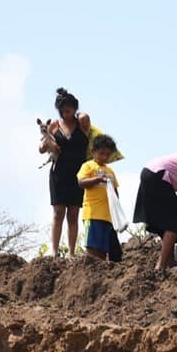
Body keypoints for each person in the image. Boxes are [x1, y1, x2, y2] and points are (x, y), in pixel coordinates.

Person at [39, 87, 89, 257]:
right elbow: (41, 148)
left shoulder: (82, 122)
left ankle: (71, 252)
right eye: (62, 107)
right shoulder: (54, 124)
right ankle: (54, 251)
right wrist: (46, 142)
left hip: (77, 173)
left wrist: (79, 115)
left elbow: (85, 119)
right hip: (59, 173)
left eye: (69, 106)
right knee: (58, 212)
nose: (65, 110)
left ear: (74, 107)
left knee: (73, 213)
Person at [77, 134, 122, 262]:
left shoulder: (110, 171)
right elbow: (81, 182)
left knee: (103, 250)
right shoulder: (88, 166)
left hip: (108, 217)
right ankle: (89, 273)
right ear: (93, 152)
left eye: (107, 155)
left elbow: (115, 191)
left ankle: (100, 275)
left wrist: (116, 209)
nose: (104, 157)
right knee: (92, 248)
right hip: (93, 214)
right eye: (101, 153)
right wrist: (97, 179)